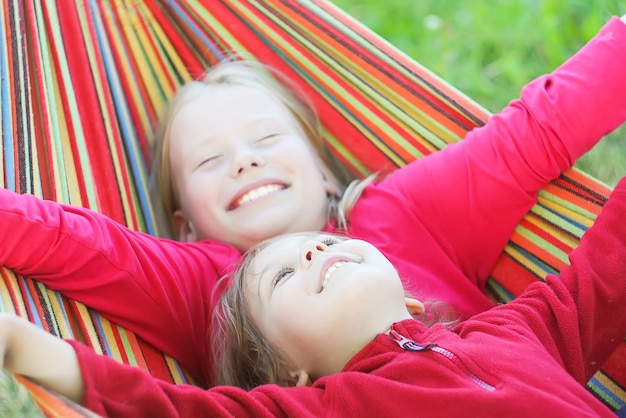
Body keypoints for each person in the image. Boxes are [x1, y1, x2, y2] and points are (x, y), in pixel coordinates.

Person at [1, 14, 626, 388]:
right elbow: (68, 240)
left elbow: (535, 131)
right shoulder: (202, 287)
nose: (245, 159)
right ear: (184, 224)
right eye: (210, 160)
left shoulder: (402, 210)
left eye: (268, 138)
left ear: (326, 175)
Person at [2, 176, 626, 417]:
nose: (310, 251)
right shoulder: (328, 410)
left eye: (320, 244)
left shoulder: (518, 332)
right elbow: (171, 410)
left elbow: (603, 272)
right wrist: (22, 346)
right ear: (289, 374)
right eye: (280, 278)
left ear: (411, 302)